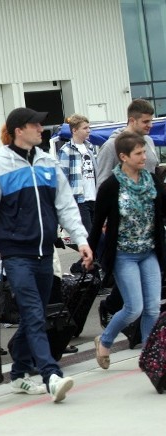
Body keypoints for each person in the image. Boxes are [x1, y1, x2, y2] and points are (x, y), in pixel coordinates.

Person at [0, 107, 93, 403]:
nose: (41, 128)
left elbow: (65, 205)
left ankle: (19, 370)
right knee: (35, 313)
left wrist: (81, 240)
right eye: (35, 124)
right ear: (18, 130)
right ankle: (51, 374)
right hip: (16, 255)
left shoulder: (48, 162)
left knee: (34, 315)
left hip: (45, 252)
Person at [89, 131, 165, 369]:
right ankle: (105, 340)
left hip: (149, 251)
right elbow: (97, 221)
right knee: (134, 307)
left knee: (153, 307)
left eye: (145, 151)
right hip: (123, 254)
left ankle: (149, 357)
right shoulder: (111, 186)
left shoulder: (152, 180)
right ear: (123, 156)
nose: (145, 157)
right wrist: (89, 252)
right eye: (139, 153)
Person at [97, 99, 158, 320]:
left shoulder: (148, 141)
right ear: (132, 120)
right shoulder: (111, 146)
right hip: (125, 221)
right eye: (146, 121)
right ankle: (112, 306)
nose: (150, 125)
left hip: (150, 217)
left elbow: (153, 173)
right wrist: (104, 220)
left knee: (151, 273)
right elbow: (103, 183)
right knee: (133, 275)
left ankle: (142, 323)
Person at [58, 114, 98, 234]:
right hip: (80, 200)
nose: (88, 130)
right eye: (85, 128)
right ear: (74, 130)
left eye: (89, 127)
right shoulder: (66, 151)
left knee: (97, 236)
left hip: (94, 198)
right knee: (88, 237)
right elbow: (62, 179)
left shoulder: (90, 148)